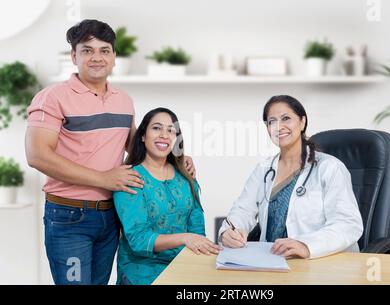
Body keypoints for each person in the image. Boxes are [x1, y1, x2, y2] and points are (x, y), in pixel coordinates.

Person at [24, 19, 195, 285]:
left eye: (104, 50)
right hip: (70, 219)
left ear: (114, 57)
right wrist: (104, 179)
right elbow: (37, 155)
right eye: (87, 50)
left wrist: (179, 158)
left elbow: (138, 145)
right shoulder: (52, 97)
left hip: (111, 216)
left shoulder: (123, 100)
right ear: (73, 56)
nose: (96, 57)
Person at [218, 95, 363, 259]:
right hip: (274, 260)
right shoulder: (264, 169)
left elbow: (348, 224)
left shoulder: (330, 168)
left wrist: (307, 245)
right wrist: (229, 232)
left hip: (322, 261)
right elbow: (243, 210)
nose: (279, 127)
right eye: (272, 122)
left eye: (286, 118)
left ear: (302, 122)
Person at [114, 108, 221, 285]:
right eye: (157, 128)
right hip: (143, 271)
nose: (164, 135)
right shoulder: (130, 178)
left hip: (184, 266)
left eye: (171, 130)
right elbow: (139, 240)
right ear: (142, 136)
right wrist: (184, 238)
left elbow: (197, 231)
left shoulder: (186, 176)